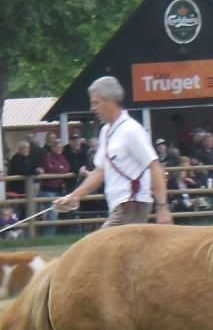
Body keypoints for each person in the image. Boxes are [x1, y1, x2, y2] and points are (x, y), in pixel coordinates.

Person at [53, 76, 171, 227]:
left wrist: (162, 207)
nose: (92, 108)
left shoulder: (131, 130)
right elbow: (100, 171)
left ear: (110, 101)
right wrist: (74, 196)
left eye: (96, 103)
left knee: (98, 248)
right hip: (121, 207)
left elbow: (155, 166)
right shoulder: (107, 131)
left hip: (132, 205)